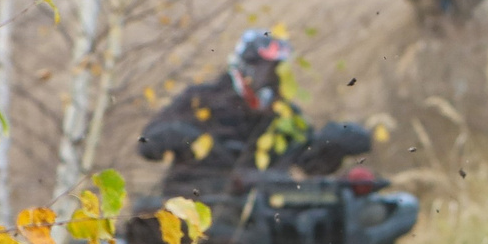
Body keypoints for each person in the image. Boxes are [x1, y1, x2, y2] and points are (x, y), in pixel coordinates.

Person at [137, 30, 370, 202]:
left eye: (276, 72)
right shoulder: (201, 100)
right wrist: (182, 137)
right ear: (246, 68)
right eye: (266, 71)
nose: (270, 79)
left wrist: (334, 143)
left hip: (265, 211)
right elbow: (147, 144)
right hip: (200, 205)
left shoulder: (283, 115)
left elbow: (310, 164)